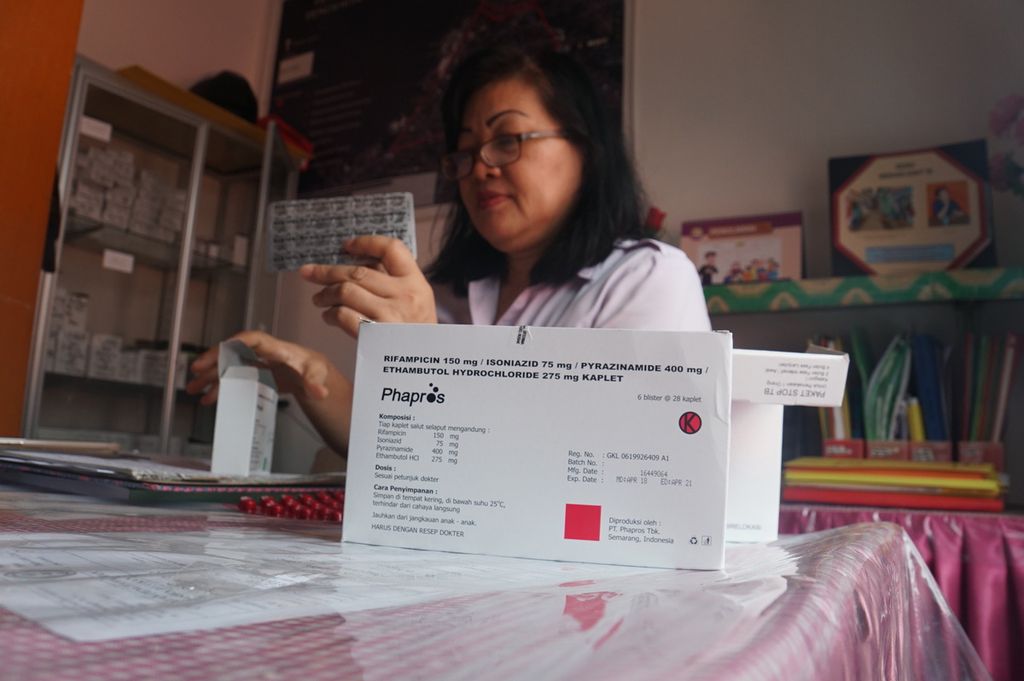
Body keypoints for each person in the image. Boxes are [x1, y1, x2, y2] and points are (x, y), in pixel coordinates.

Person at [187, 46, 710, 456]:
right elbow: (407, 451)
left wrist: (427, 351)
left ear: (587, 152)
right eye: (464, 151)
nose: (480, 167)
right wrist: (310, 378)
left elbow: (619, 471)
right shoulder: (448, 297)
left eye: (507, 139)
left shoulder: (648, 278)